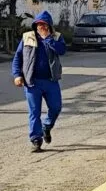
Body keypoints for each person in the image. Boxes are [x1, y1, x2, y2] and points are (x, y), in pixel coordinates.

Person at [11, 11, 66, 152]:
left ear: (49, 26)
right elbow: (18, 58)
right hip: (32, 82)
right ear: (35, 25)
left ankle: (46, 126)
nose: (40, 27)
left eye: (43, 24)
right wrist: (17, 75)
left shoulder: (56, 37)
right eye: (38, 24)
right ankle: (36, 139)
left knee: (55, 108)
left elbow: (61, 50)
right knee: (34, 112)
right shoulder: (27, 38)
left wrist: (47, 38)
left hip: (50, 81)